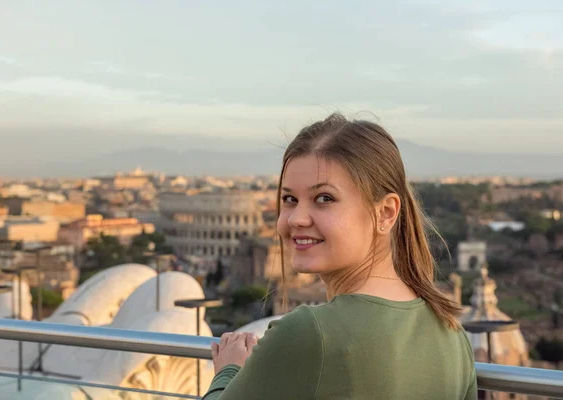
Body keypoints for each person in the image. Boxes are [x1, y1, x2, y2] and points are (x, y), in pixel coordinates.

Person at [202, 113, 477, 399]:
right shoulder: (452, 335)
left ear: (385, 213)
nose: (296, 218)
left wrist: (229, 371)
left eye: (324, 198)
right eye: (289, 199)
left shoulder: (310, 333)